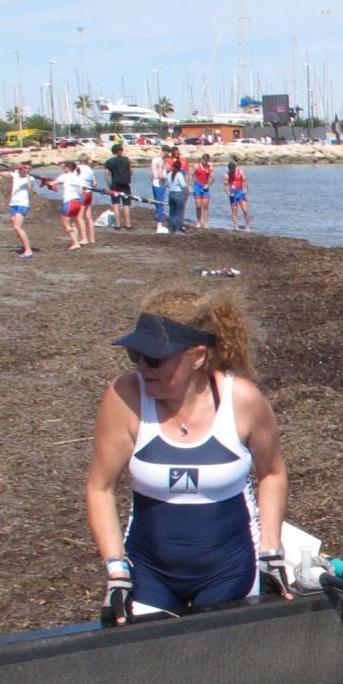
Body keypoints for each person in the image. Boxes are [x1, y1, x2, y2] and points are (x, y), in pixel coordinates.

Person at [84, 291, 291, 623]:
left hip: (231, 569)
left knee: (217, 653)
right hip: (149, 571)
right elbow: (100, 488)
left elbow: (272, 474)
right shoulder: (125, 397)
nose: (141, 367)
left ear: (197, 356)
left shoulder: (242, 400)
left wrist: (271, 552)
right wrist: (116, 570)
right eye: (135, 354)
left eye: (154, 359)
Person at [0, 160, 35, 257]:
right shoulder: (15, 175)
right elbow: (0, 173)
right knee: (16, 228)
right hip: (13, 204)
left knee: (17, 227)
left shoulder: (30, 178)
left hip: (22, 204)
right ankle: (25, 247)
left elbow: (30, 187)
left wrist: (27, 174)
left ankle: (28, 250)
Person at [53, 160, 87, 249]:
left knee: (66, 224)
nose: (63, 169)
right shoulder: (78, 178)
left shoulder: (65, 176)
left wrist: (45, 181)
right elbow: (81, 191)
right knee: (72, 223)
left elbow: (52, 183)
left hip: (69, 201)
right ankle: (75, 241)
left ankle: (75, 243)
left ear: (68, 168)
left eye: (64, 167)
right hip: (77, 202)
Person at [105, 143, 134, 231]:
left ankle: (117, 224)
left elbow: (107, 175)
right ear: (120, 151)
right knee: (126, 204)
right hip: (125, 183)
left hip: (115, 184)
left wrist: (109, 185)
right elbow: (131, 171)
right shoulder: (126, 160)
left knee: (116, 204)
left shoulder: (109, 161)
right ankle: (128, 224)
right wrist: (127, 177)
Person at [166, 156, 189, 235]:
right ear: (179, 167)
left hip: (171, 194)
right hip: (178, 194)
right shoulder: (179, 174)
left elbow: (167, 185)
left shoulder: (169, 174)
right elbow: (183, 185)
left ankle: (171, 228)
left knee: (172, 212)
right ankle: (178, 229)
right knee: (179, 212)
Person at [225, 159, 250, 230]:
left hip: (240, 193)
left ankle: (248, 227)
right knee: (234, 211)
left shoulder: (240, 172)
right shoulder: (227, 175)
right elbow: (225, 185)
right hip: (233, 194)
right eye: (230, 169)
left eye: (233, 169)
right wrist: (228, 193)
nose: (232, 170)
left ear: (235, 167)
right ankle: (236, 227)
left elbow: (245, 180)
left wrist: (245, 188)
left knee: (245, 210)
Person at [149, 147, 170, 233]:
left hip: (154, 183)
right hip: (160, 185)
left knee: (157, 204)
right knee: (160, 205)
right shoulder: (161, 161)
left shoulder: (154, 159)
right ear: (166, 152)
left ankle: (159, 225)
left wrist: (152, 181)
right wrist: (167, 179)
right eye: (168, 153)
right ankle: (159, 226)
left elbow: (150, 174)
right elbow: (160, 175)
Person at [192, 154, 214, 229]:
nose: (205, 162)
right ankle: (198, 222)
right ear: (202, 160)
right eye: (204, 160)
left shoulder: (210, 167)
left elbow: (213, 177)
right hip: (197, 187)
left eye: (207, 161)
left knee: (205, 206)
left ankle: (206, 223)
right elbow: (191, 175)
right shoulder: (196, 166)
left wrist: (208, 184)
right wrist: (189, 185)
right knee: (198, 206)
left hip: (205, 187)